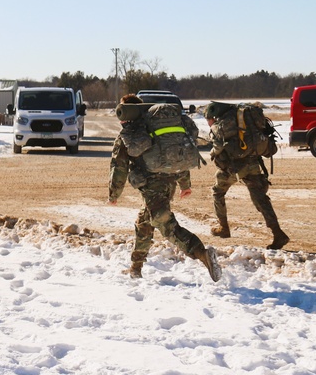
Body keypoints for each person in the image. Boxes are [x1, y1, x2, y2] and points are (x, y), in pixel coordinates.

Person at [108, 95, 221, 281]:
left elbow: (119, 166)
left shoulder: (130, 133)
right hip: (170, 181)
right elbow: (176, 155)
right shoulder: (156, 127)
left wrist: (114, 194)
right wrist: (185, 184)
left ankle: (202, 253)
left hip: (152, 185)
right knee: (145, 223)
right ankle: (135, 268)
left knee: (165, 225)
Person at [204, 102, 289, 250]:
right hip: (252, 163)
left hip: (234, 167)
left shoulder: (220, 125)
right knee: (260, 198)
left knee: (217, 192)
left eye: (208, 119)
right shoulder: (241, 118)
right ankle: (278, 233)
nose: (208, 122)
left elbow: (217, 147)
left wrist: (211, 154)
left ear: (213, 116)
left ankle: (223, 227)